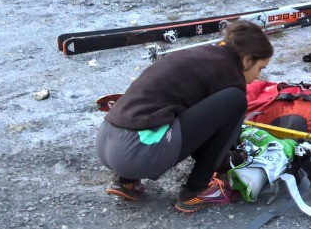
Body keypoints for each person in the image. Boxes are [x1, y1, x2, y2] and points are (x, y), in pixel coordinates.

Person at [97, 20, 273, 214]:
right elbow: (213, 138)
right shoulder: (230, 75)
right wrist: (228, 162)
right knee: (236, 100)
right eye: (260, 68)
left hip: (106, 141)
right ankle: (196, 190)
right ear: (247, 60)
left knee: (159, 112)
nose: (258, 77)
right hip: (137, 154)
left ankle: (125, 181)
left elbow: (197, 122)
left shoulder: (203, 55)